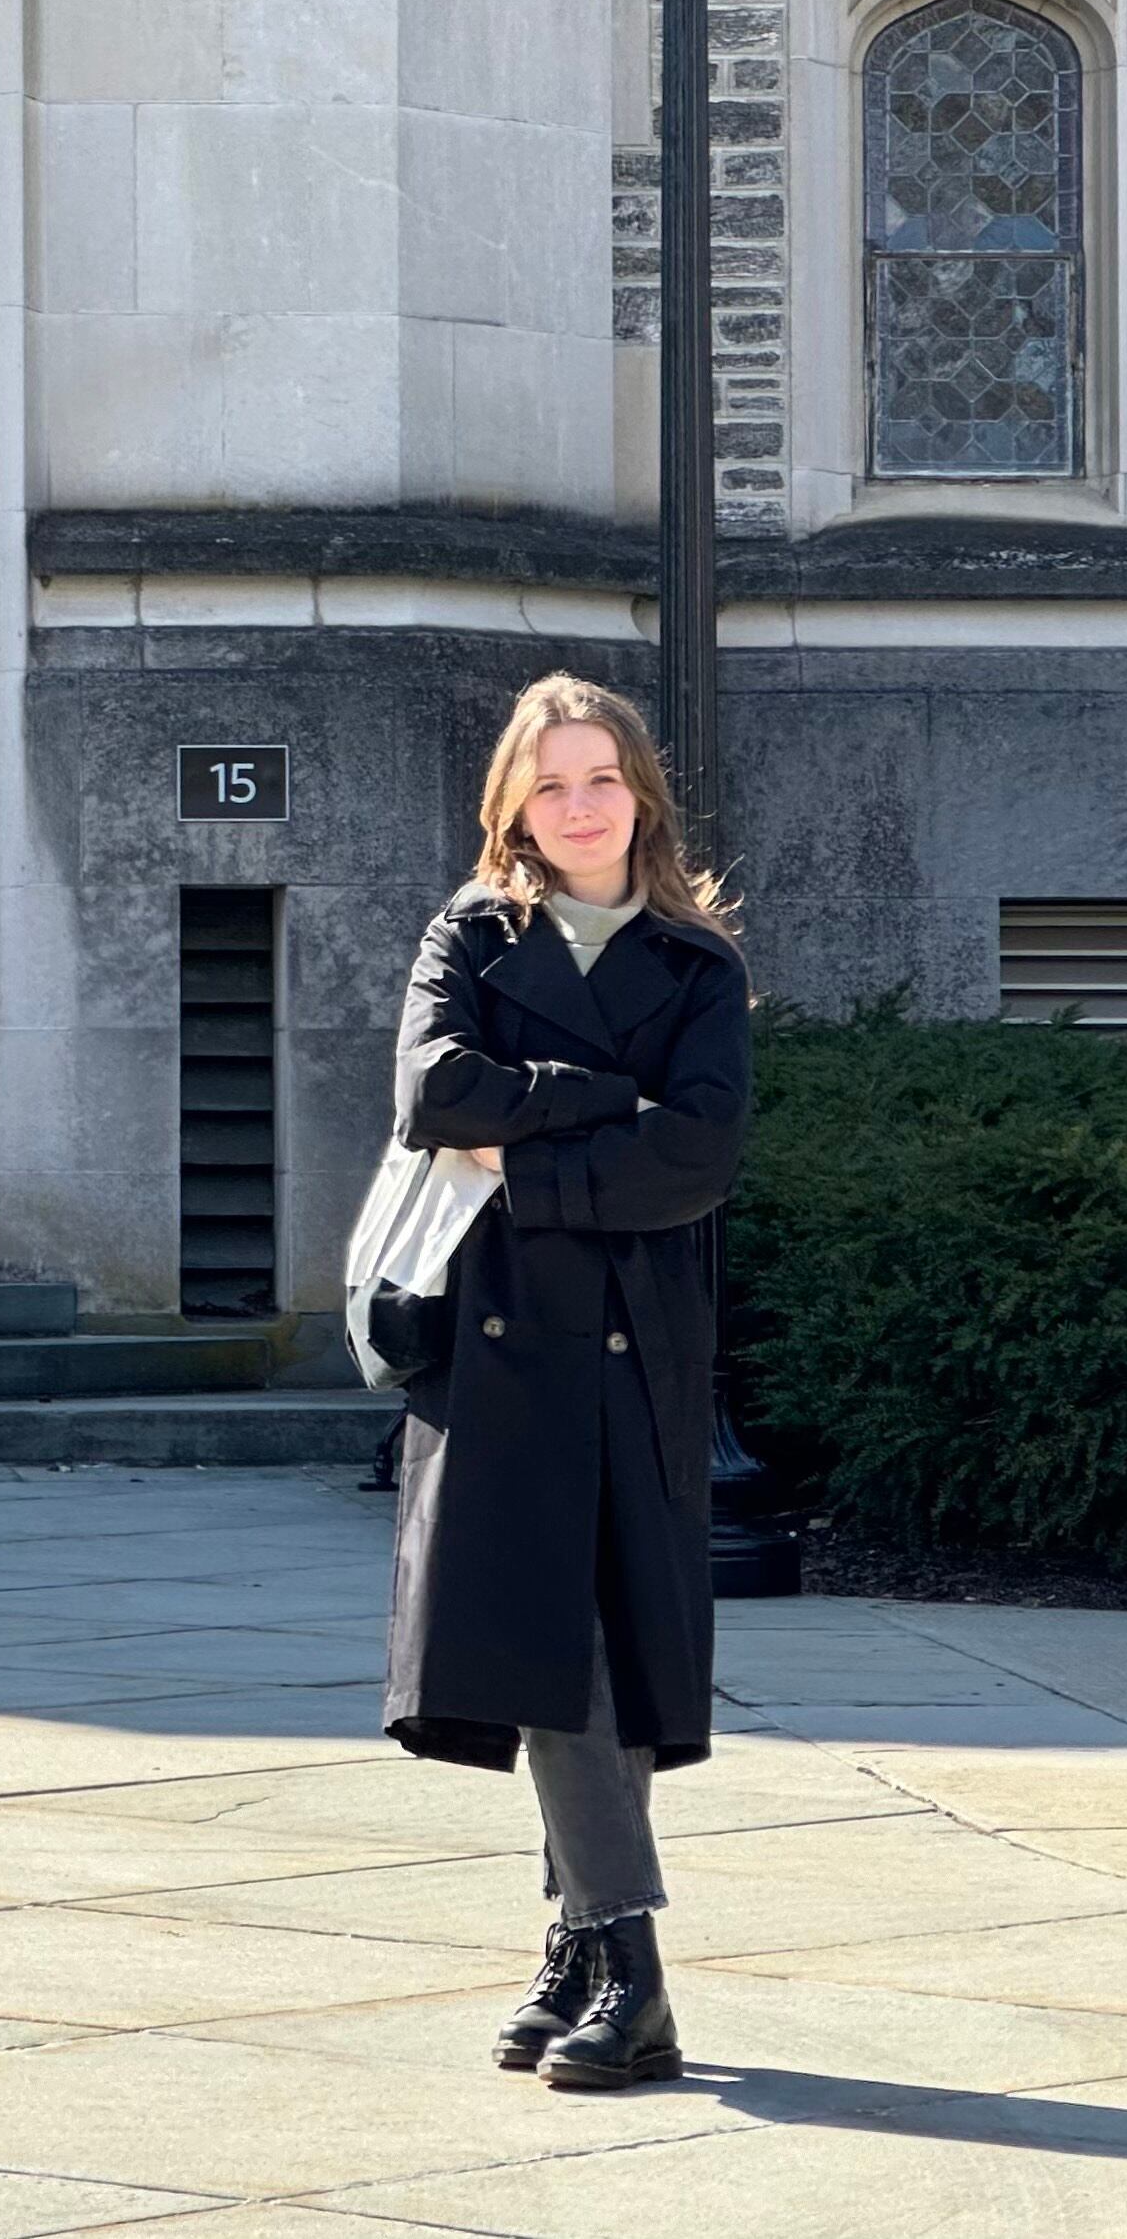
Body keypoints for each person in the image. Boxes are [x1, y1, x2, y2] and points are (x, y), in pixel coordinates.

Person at [379, 671, 750, 2090]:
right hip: (494, 1348)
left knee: (591, 1648)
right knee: (551, 1643)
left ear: (639, 792)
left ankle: (617, 1958)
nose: (578, 804)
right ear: (511, 805)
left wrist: (522, 1152)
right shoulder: (466, 933)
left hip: (637, 1344)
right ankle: (597, 1952)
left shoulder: (693, 962)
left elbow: (699, 1157)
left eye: (600, 777)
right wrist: (607, 1106)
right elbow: (432, 1096)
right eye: (550, 783)